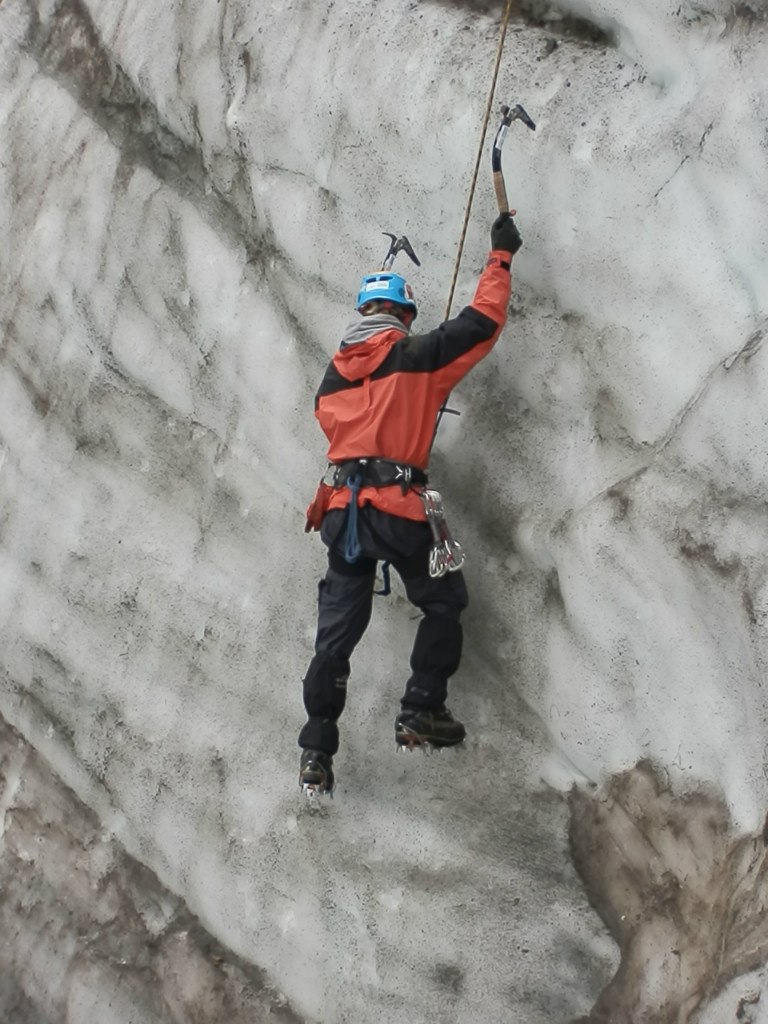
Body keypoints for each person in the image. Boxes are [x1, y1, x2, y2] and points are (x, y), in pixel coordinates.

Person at [299, 211, 523, 794]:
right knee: (443, 600)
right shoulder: (418, 356)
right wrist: (499, 257)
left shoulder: (332, 380)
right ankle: (422, 707)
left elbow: (339, 421)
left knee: (336, 636)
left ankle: (316, 750)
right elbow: (482, 323)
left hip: (343, 511)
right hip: (398, 509)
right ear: (401, 314)